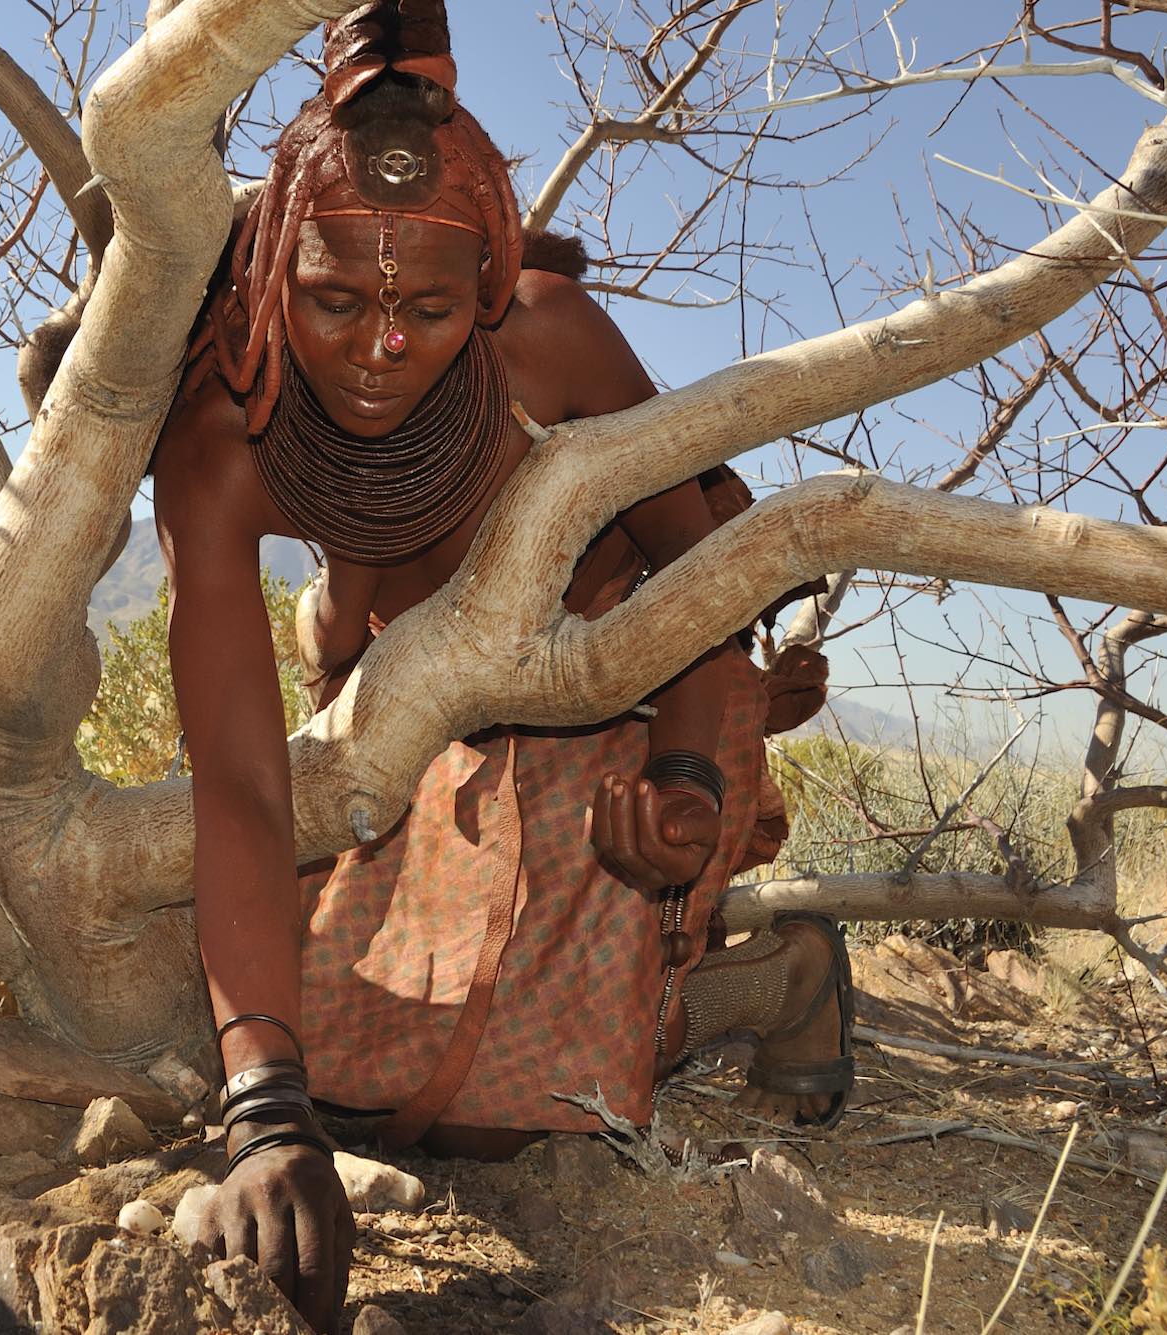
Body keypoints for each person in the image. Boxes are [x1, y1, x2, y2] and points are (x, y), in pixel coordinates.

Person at [149, 5, 850, 1327]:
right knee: (345, 1076)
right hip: (433, 741)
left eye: (425, 307)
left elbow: (703, 597)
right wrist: (262, 1111)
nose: (378, 348)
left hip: (635, 719)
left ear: (485, 289)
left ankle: (781, 975)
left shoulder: (553, 343)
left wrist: (689, 782)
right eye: (334, 299)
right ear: (268, 276)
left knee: (515, 1116)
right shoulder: (222, 440)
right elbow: (237, 785)